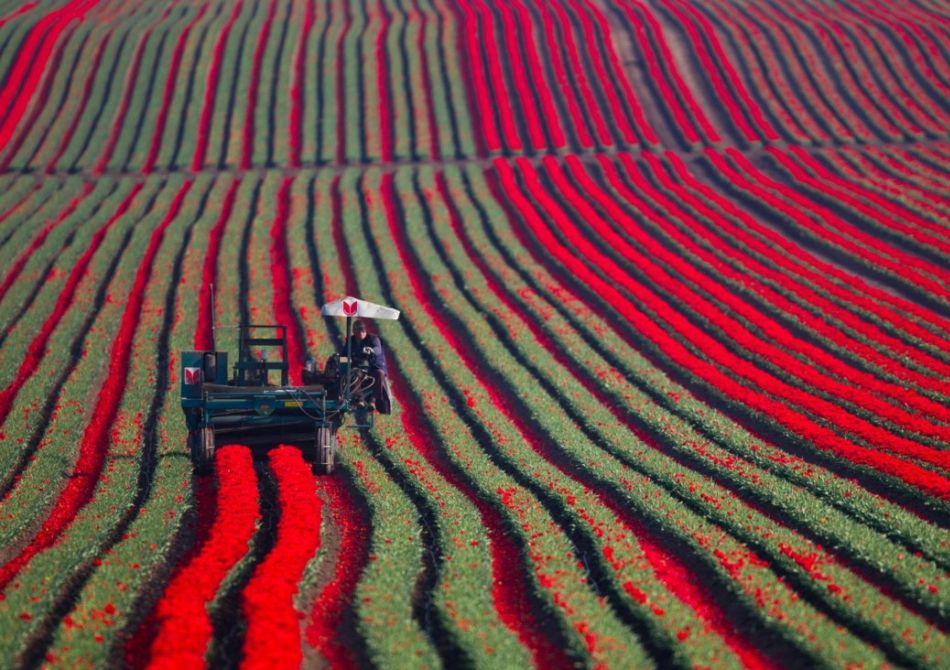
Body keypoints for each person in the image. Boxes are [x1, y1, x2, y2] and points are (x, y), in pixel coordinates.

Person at [344, 319, 392, 414]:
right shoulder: (351, 341)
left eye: (363, 330)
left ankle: (373, 401)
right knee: (354, 374)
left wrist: (371, 350)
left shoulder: (373, 339)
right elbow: (344, 353)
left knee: (380, 374)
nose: (361, 332)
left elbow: (378, 349)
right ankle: (360, 399)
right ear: (354, 331)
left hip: (373, 366)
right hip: (359, 367)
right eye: (358, 330)